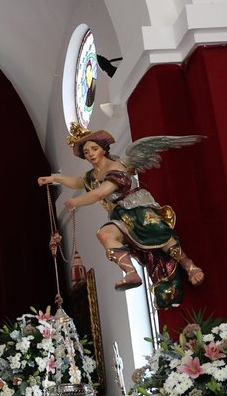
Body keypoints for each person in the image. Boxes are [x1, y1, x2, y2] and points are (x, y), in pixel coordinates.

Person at [38, 123, 204, 310]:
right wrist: (54, 179)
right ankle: (131, 273)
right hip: (119, 214)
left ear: (103, 149)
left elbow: (99, 194)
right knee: (104, 235)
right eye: (86, 152)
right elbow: (77, 182)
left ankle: (189, 264)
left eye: (94, 148)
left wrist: (74, 203)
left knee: (160, 235)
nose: (91, 154)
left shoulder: (117, 167)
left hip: (137, 208)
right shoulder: (92, 175)